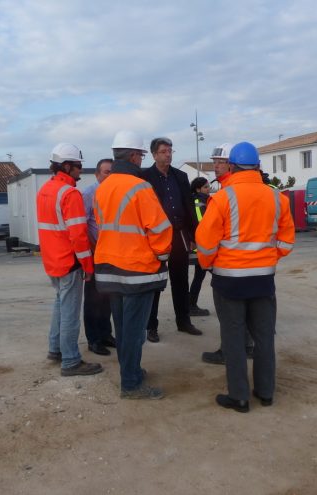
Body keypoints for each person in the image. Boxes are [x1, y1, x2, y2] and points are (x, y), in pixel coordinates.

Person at [196, 142, 295, 413]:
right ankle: (265, 392)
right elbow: (287, 240)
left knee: (233, 338)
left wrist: (209, 264)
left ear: (231, 166)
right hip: (263, 280)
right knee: (264, 338)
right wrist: (270, 258)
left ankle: (239, 396)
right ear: (258, 166)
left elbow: (205, 242)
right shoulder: (277, 198)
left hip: (229, 280)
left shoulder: (222, 198)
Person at [94, 130, 172, 399]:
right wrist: (162, 257)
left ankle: (132, 371)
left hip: (109, 269)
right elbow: (160, 229)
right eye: (140, 154)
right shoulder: (140, 187)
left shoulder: (103, 188)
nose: (141, 158)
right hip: (138, 271)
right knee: (134, 331)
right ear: (133, 156)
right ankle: (130, 383)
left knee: (123, 329)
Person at [36, 143, 103, 377]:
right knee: (70, 312)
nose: (81, 170)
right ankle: (71, 361)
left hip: (52, 260)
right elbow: (78, 235)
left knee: (60, 305)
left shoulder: (45, 190)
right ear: (66, 166)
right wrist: (88, 265)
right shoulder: (70, 194)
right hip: (69, 261)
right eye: (78, 165)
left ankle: (55, 350)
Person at [142, 137, 202, 343]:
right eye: (163, 151)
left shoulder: (181, 176)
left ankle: (183, 321)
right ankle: (151, 326)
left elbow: (188, 207)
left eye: (170, 151)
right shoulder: (144, 177)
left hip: (178, 235)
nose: (168, 154)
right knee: (155, 282)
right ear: (154, 154)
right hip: (154, 237)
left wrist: (193, 235)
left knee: (180, 279)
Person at [201, 143, 255, 365]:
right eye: (214, 162)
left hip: (229, 264)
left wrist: (207, 262)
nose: (215, 166)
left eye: (220, 162)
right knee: (248, 310)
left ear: (232, 164)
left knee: (228, 312)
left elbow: (210, 235)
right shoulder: (232, 189)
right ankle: (247, 346)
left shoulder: (227, 193)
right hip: (255, 265)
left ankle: (230, 351)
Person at [82, 158, 116, 356]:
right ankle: (93, 340)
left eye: (112, 172)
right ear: (97, 174)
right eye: (106, 172)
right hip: (95, 253)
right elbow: (84, 225)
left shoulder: (114, 193)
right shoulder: (89, 193)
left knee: (108, 297)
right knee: (94, 299)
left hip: (111, 254)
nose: (109, 175)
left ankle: (106, 334)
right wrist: (93, 249)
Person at [188, 176, 211, 317]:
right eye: (206, 187)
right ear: (198, 189)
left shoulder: (202, 200)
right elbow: (202, 224)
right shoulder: (198, 202)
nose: (209, 189)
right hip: (201, 247)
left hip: (202, 247)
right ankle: (191, 306)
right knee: (201, 276)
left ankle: (191, 305)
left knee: (199, 276)